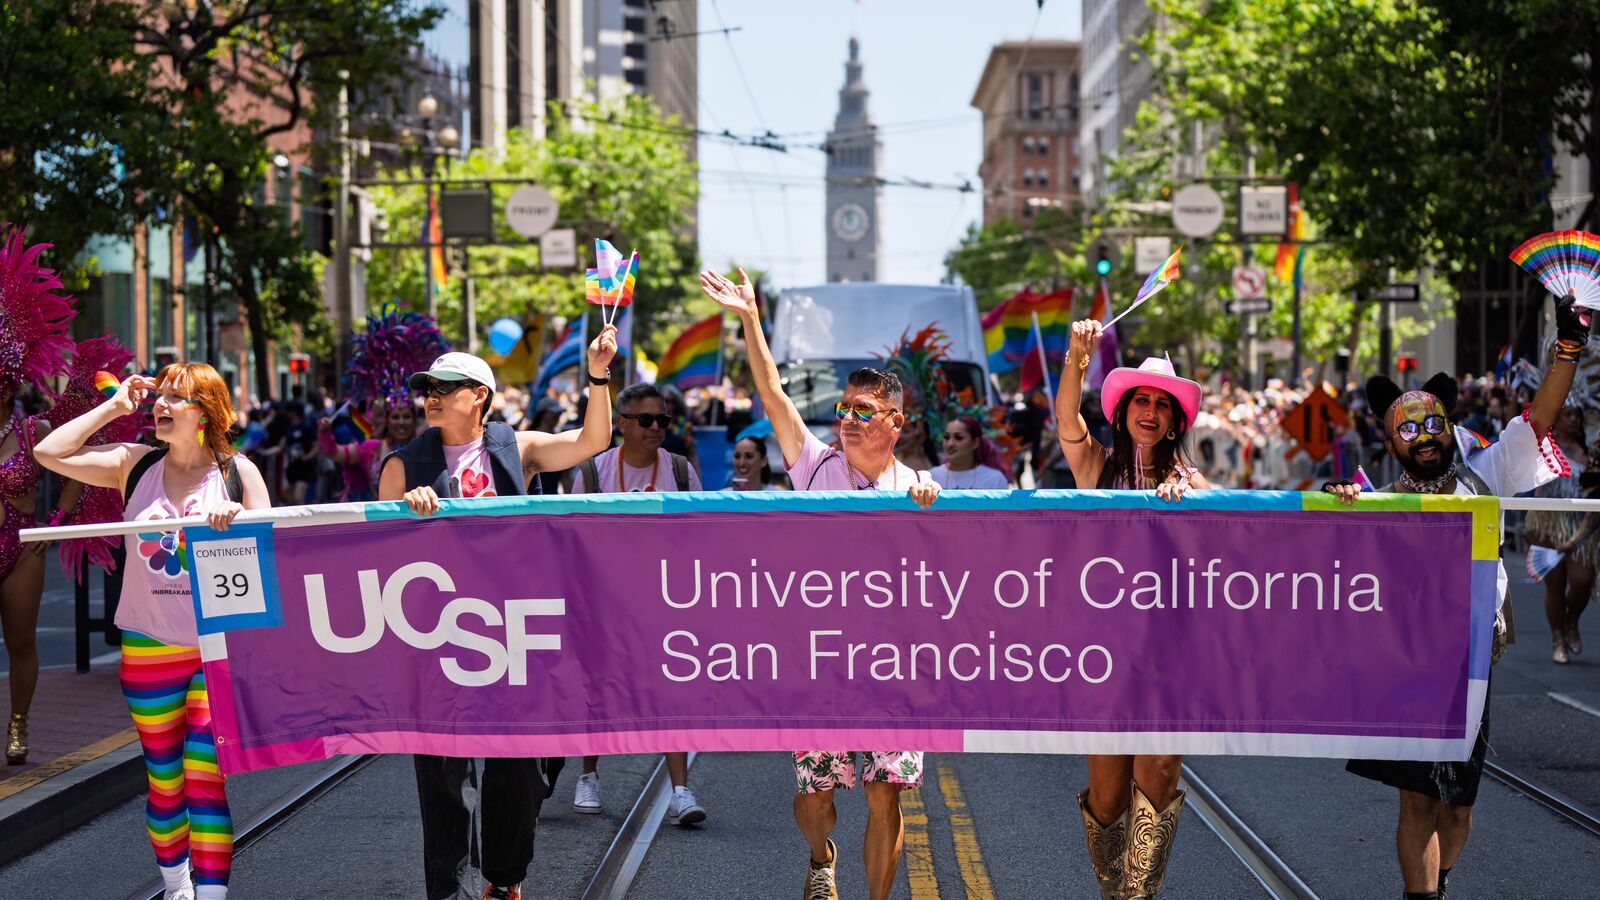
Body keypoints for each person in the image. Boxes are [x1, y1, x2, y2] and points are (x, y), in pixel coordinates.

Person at [1324, 298, 1587, 900]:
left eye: (1432, 423)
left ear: (1448, 427)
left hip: (1471, 663)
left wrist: (1567, 350)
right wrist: (1336, 501)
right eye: (1407, 428)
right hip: (1406, 663)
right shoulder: (1377, 500)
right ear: (1390, 441)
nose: (1422, 436)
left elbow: (1540, 418)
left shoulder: (1486, 475)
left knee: (1457, 809)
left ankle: (1437, 884)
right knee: (1416, 796)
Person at [702, 267, 938, 900]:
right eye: (844, 410)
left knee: (886, 796)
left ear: (896, 423)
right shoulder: (813, 465)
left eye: (866, 413)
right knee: (816, 799)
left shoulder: (919, 490)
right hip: (822, 663)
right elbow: (773, 392)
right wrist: (751, 317)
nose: (850, 421)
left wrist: (931, 512)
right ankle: (820, 854)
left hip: (893, 667)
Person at [380, 332, 617, 900]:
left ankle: (505, 879)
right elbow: (381, 559)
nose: (431, 397)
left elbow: (593, 441)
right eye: (426, 389)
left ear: (480, 396)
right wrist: (407, 518)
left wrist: (599, 376)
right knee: (444, 782)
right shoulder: (402, 465)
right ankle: (453, 892)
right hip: (437, 642)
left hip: (512, 640)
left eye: (445, 388)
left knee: (521, 772)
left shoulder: (518, 448)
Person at [36, 363, 272, 900]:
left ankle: (210, 897)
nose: (161, 406)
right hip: (148, 648)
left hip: (217, 650)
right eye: (159, 396)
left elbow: (277, 556)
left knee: (205, 778)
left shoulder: (240, 474)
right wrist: (115, 407)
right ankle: (176, 886)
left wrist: (243, 524)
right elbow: (48, 455)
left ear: (206, 413)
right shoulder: (133, 465)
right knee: (165, 783)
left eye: (176, 398)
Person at [1056, 318, 1210, 900]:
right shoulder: (1097, 468)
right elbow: (1067, 419)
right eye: (1140, 400)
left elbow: (1231, 559)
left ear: (1175, 419)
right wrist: (1076, 356)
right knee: (1106, 795)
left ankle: (1135, 898)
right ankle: (1112, 891)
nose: (1150, 410)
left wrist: (1190, 505)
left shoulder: (1196, 484)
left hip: (1171, 658)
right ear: (1123, 412)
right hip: (1106, 656)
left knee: (1158, 778)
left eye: (1161, 404)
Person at [568, 382, 706, 824]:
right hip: (603, 603)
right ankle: (587, 775)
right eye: (645, 420)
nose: (655, 428)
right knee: (597, 690)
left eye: (662, 420)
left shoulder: (681, 472)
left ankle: (681, 790)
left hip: (665, 603)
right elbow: (571, 539)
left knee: (671, 693)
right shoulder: (591, 473)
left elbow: (702, 536)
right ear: (621, 423)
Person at [0, 227, 83, 766]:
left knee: (23, 645)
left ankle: (19, 724)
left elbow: (78, 466)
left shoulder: (32, 431)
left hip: (19, 546)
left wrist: (53, 525)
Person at [1522, 404, 1594, 663]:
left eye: (1578, 415)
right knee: (1555, 585)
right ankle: (1557, 638)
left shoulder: (1591, 451)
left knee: (1582, 580)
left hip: (1582, 524)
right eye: (1568, 414)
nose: (1574, 419)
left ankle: (1571, 621)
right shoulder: (1543, 446)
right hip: (1546, 523)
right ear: (1557, 418)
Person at [319, 398, 419, 502]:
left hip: (420, 516)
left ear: (414, 420)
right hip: (379, 516)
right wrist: (325, 433)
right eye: (395, 417)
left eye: (407, 417)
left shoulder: (426, 447)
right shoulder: (371, 448)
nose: (401, 422)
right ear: (387, 420)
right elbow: (335, 453)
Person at [928, 415, 1011, 490]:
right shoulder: (931, 477)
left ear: (975, 443)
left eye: (958, 438)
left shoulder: (994, 480)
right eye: (946, 437)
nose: (950, 444)